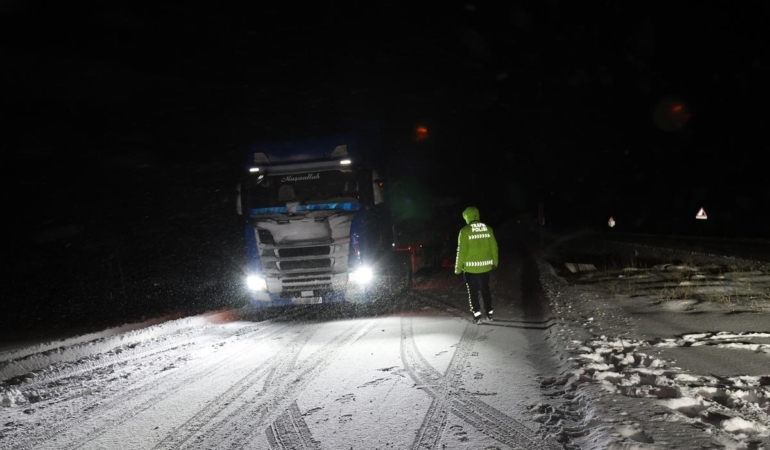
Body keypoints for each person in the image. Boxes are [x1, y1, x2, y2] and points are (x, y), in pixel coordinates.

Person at [454, 206, 499, 324]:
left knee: (473, 292)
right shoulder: (488, 229)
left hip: (470, 269)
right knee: (485, 290)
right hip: (485, 268)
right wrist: (495, 262)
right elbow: (494, 247)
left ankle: (477, 315)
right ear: (477, 215)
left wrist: (458, 268)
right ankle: (489, 313)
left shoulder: (465, 231)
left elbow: (462, 251)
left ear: (466, 217)